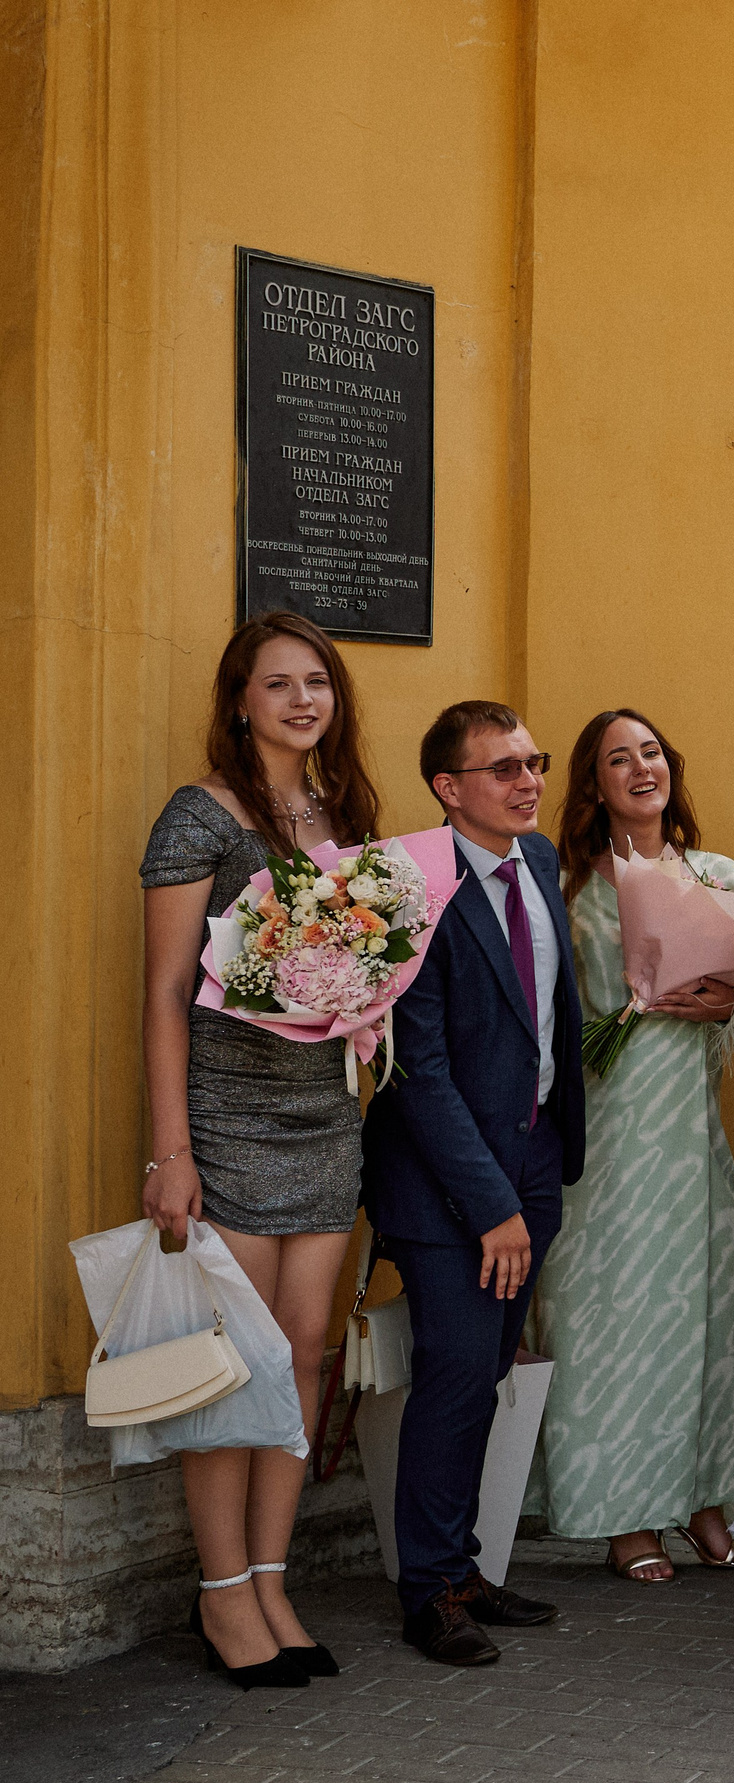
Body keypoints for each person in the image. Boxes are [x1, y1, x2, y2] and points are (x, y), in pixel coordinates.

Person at [140, 612, 385, 1688]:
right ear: (240, 700)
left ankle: (274, 1580)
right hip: (227, 1115)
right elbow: (164, 993)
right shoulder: (200, 814)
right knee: (231, 1363)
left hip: (324, 1112)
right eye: (278, 683)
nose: (301, 700)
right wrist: (171, 1151)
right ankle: (223, 1590)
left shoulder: (347, 814)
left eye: (316, 681)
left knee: (301, 1352)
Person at [364, 701, 587, 1667]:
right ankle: (429, 1591)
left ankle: (460, 1566)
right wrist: (492, 1205)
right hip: (446, 1184)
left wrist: (538, 1174)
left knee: (487, 1372)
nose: (528, 781)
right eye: (503, 768)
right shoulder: (412, 884)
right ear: (448, 788)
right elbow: (418, 1070)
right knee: (455, 1373)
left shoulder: (537, 859)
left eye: (533, 761)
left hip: (533, 1161)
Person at [537, 710, 734, 1584]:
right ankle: (626, 1512)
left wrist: (725, 1003)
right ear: (594, 786)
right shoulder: (565, 887)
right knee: (612, 1319)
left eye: (652, 752)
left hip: (692, 1140)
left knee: (711, 1316)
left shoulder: (717, 875)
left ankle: (704, 1500)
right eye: (618, 759)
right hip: (605, 1141)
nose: (641, 768)